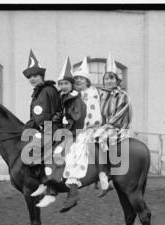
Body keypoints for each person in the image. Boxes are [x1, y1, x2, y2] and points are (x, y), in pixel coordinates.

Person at [32, 56, 87, 208]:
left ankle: (53, 192)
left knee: (58, 153)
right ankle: (45, 183)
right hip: (64, 132)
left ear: (72, 85)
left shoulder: (76, 99)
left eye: (66, 83)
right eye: (61, 83)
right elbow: (60, 113)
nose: (63, 86)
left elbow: (75, 117)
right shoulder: (63, 97)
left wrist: (63, 120)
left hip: (74, 133)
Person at [58, 57, 104, 212]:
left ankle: (73, 189)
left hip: (89, 128)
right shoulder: (75, 95)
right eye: (76, 78)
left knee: (75, 151)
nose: (78, 80)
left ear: (87, 81)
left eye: (81, 78)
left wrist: (78, 129)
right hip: (75, 129)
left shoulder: (91, 94)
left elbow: (92, 115)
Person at [94, 52, 133, 197]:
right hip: (105, 126)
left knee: (101, 138)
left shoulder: (122, 95)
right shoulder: (102, 95)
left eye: (112, 78)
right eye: (106, 78)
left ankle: (107, 173)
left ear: (117, 81)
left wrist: (109, 124)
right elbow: (99, 112)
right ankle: (97, 173)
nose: (109, 81)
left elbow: (122, 112)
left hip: (118, 126)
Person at [22, 49, 62, 182]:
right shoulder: (36, 94)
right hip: (41, 130)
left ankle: (48, 181)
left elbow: (58, 109)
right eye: (29, 77)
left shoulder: (49, 90)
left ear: (41, 76)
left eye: (35, 76)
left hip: (53, 128)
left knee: (37, 150)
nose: (32, 79)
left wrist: (50, 126)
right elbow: (34, 117)